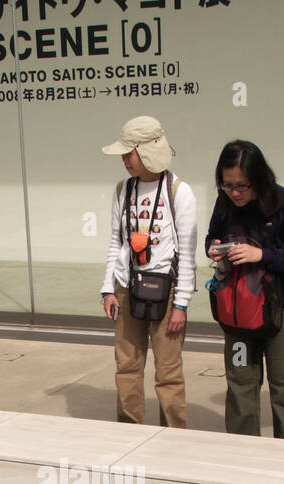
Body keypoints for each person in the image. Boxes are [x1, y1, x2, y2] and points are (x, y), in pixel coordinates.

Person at [204, 140, 284, 439]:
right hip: (238, 313)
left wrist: (260, 254)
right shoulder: (224, 203)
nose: (235, 193)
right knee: (240, 383)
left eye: (242, 185)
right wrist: (213, 248)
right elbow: (212, 236)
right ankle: (244, 458)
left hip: (282, 310)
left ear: (259, 178)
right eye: (227, 186)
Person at [100, 115, 196, 428]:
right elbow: (116, 243)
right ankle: (129, 430)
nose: (125, 159)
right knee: (126, 364)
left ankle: (174, 435)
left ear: (148, 151)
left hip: (166, 291)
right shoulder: (122, 190)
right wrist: (108, 288)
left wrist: (181, 303)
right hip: (127, 285)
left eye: (130, 152)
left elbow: (187, 252)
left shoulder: (179, 192)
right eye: (124, 153)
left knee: (168, 372)